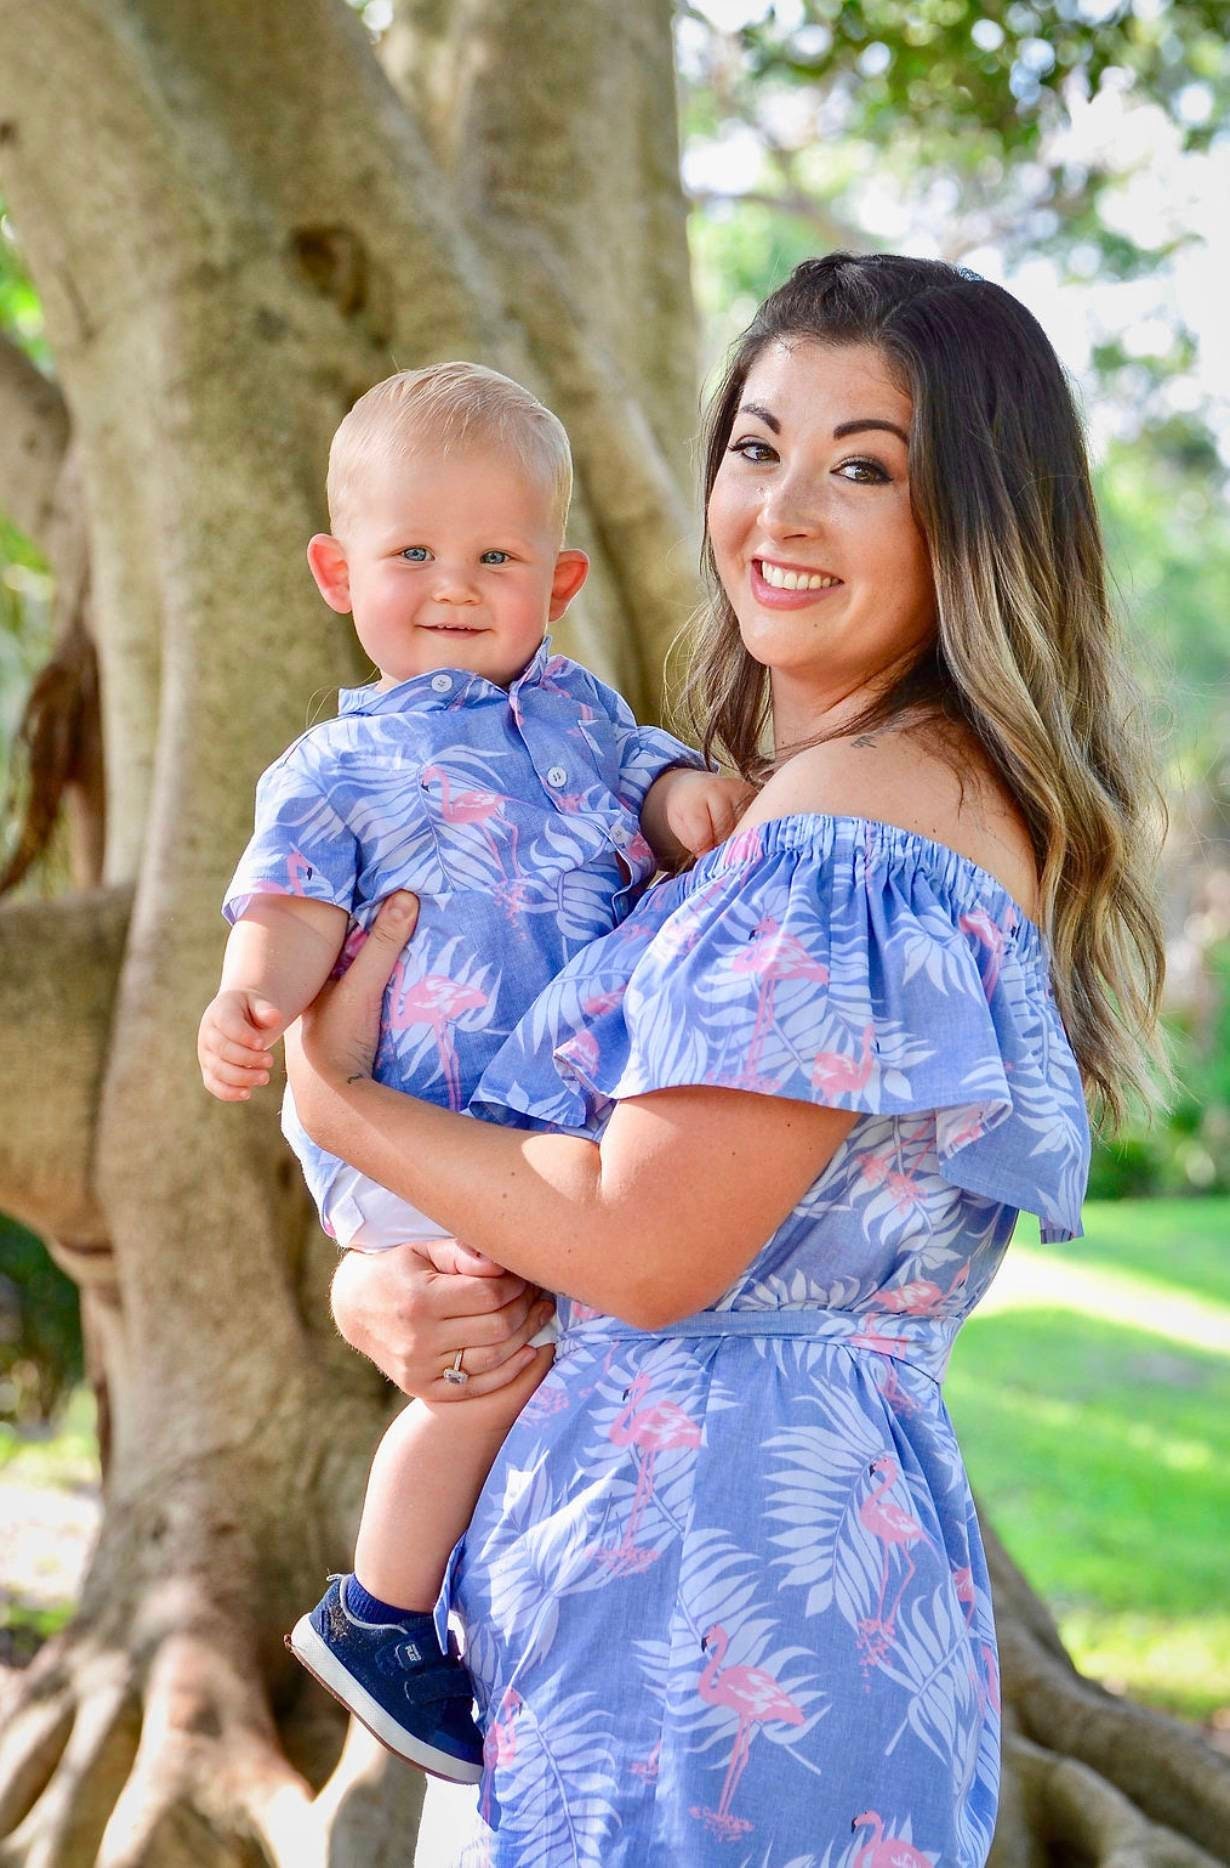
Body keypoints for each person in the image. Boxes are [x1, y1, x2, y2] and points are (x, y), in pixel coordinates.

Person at [287, 254, 1166, 1865]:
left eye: (864, 470)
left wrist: (337, 1104)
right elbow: (635, 1209)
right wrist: (392, 1286)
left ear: (977, 519)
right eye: (757, 448)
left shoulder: (855, 833)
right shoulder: (815, 797)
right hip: (704, 1598)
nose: (782, 512)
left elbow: (645, 1247)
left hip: (715, 1622)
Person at [197, 361, 747, 1781]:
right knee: (488, 1361)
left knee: (547, 1351)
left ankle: (474, 1599)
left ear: (557, 579)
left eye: (495, 556)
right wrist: (253, 1004)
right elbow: (292, 913)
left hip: (555, 1126)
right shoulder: (331, 767)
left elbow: (651, 774)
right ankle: (377, 1612)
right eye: (411, 555)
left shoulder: (580, 716)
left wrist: (685, 793)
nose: (454, 584)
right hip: (421, 1128)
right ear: (336, 571)